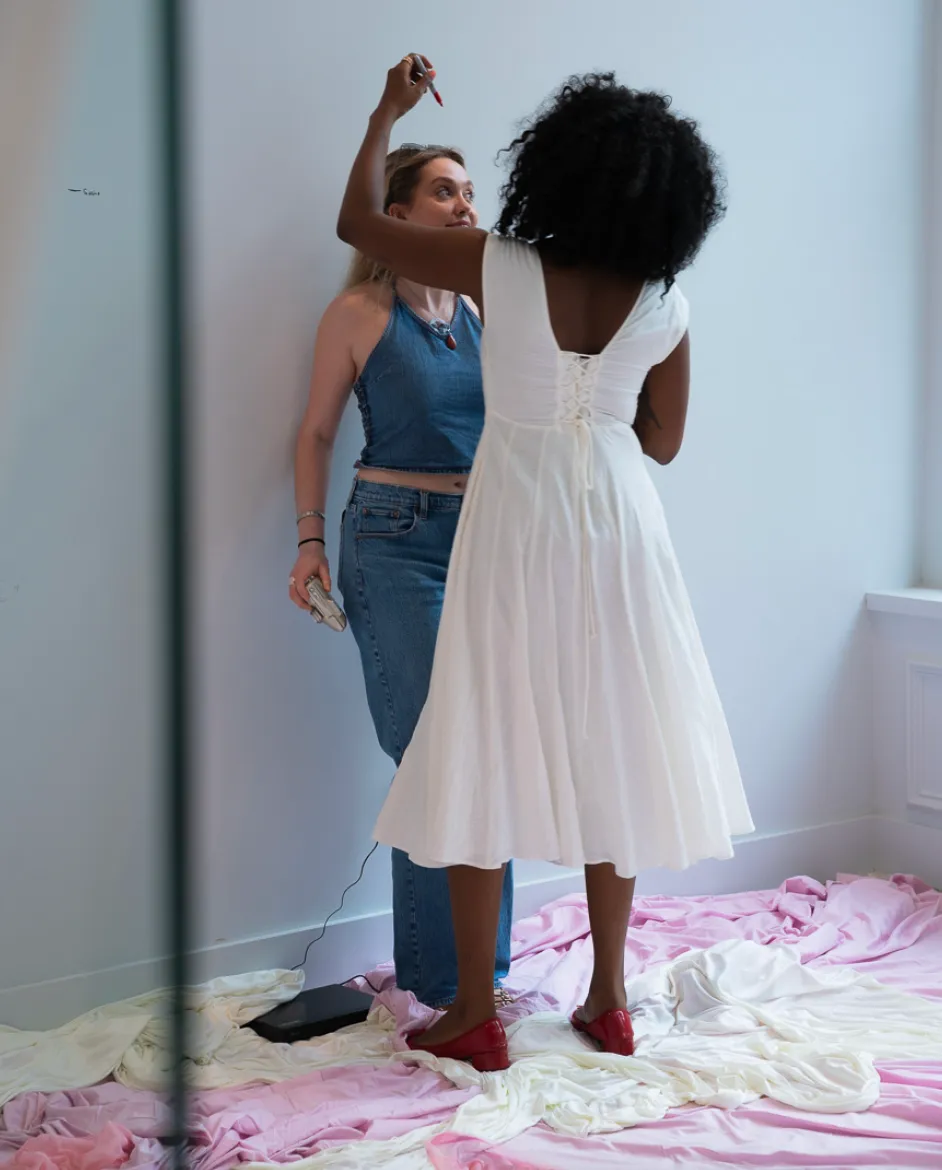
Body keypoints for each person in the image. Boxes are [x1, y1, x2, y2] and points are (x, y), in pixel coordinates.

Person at [338, 57, 755, 1074]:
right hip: (618, 525)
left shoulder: (499, 262)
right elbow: (663, 443)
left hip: (516, 513)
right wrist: (603, 405)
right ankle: (610, 999)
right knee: (615, 736)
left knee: (482, 728)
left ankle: (476, 1009)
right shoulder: (666, 300)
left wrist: (386, 114)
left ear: (556, 169)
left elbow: (357, 225)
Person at [290, 143, 515, 1011]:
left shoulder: (490, 309)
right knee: (431, 754)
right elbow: (314, 434)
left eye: (469, 191)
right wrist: (309, 541)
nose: (464, 205)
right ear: (398, 211)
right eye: (444, 191)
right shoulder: (359, 311)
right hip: (393, 537)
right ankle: (441, 979)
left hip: (492, 540)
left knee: (491, 750)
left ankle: (482, 977)